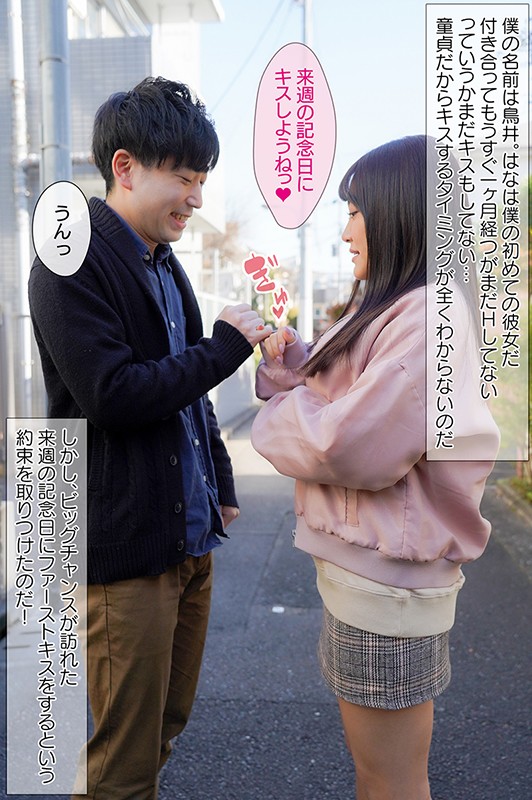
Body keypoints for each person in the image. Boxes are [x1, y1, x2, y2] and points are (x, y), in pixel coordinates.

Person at [29, 76, 271, 799]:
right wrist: (225, 348)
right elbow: (114, 395)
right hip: (123, 548)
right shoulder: (69, 259)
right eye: (184, 179)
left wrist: (220, 479)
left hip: (187, 537)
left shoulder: (163, 262)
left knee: (163, 724)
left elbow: (188, 393)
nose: (195, 198)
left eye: (201, 182)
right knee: (124, 761)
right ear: (126, 167)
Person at [251, 135, 500, 800]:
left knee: (389, 781)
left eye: (357, 211)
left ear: (399, 212)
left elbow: (349, 446)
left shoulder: (427, 314)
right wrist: (297, 365)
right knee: (383, 776)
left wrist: (279, 407)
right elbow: (359, 396)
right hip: (376, 579)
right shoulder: (413, 306)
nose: (346, 230)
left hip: (385, 589)